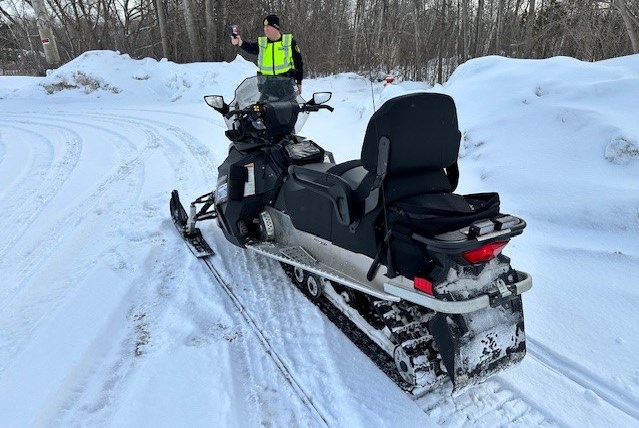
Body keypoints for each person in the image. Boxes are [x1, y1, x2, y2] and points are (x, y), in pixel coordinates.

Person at [231, 14, 304, 95]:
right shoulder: (262, 43)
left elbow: (298, 63)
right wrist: (240, 42)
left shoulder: (288, 42)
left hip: (286, 87)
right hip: (266, 88)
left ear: (276, 27)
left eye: (268, 27)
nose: (265, 29)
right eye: (264, 27)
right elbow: (251, 48)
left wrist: (299, 82)